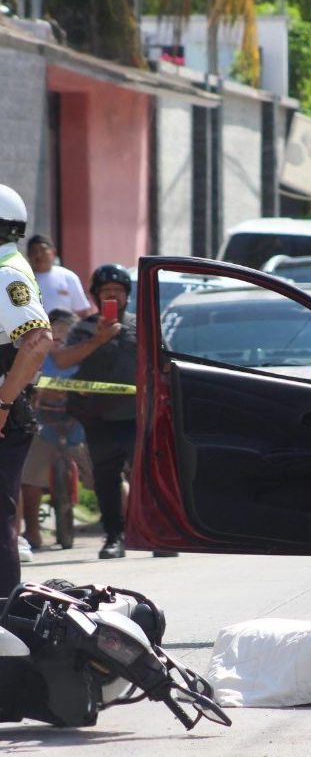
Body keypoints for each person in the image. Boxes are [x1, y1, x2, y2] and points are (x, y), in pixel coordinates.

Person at [52, 263, 176, 560]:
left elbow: (167, 363)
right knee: (106, 479)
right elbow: (62, 362)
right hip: (100, 419)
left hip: (140, 417)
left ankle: (157, 536)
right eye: (106, 292)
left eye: (117, 291)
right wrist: (98, 340)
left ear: (128, 295)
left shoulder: (144, 324)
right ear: (95, 295)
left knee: (147, 478)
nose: (112, 296)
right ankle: (114, 536)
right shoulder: (83, 328)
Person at [0, 184, 52, 596]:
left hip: (4, 414)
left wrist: (2, 403)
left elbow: (37, 340)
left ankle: (3, 615)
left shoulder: (6, 273)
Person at [20, 308, 93, 550]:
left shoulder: (85, 359)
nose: (60, 341)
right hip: (44, 425)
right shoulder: (34, 358)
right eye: (56, 336)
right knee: (28, 477)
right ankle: (32, 532)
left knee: (107, 473)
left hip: (79, 424)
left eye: (67, 337)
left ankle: (123, 523)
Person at [27, 233, 91, 318]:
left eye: (43, 250)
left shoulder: (68, 277)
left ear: (53, 252)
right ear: (28, 255)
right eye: (34, 251)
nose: (39, 255)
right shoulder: (23, 279)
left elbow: (82, 312)